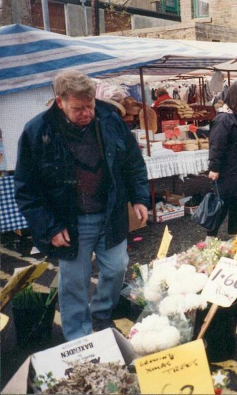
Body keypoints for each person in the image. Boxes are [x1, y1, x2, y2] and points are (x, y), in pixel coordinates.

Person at [14, 70, 149, 341]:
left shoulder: (110, 119)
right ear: (60, 101)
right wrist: (50, 227)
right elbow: (27, 189)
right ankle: (78, 338)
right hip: (70, 221)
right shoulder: (37, 130)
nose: (87, 112)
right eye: (78, 108)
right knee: (74, 281)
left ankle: (100, 311)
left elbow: (133, 162)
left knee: (117, 267)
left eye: (90, 105)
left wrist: (140, 198)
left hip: (110, 212)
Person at [207, 83, 237, 237]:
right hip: (229, 171)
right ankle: (210, 238)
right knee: (222, 206)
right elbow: (216, 145)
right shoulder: (223, 119)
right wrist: (214, 168)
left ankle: (233, 237)